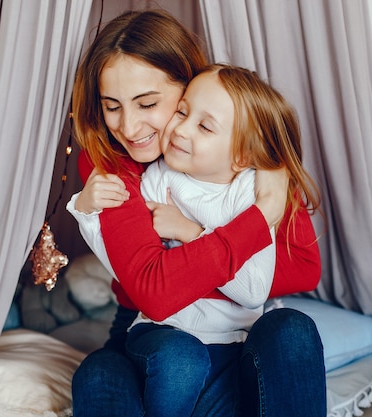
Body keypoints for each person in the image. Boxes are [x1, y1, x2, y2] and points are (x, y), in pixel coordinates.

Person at [66, 9, 326, 417]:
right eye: (112, 106)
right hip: (155, 333)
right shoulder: (110, 166)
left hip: (237, 333)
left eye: (148, 103)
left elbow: (303, 268)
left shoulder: (247, 157)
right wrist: (261, 218)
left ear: (190, 87)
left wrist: (190, 240)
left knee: (291, 329)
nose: (130, 128)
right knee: (100, 371)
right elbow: (155, 295)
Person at [120, 63, 322, 416]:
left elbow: (253, 291)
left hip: (236, 342)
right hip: (166, 334)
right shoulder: (157, 178)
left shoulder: (252, 192)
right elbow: (149, 276)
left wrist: (187, 230)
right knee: (177, 364)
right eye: (182, 111)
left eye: (204, 126)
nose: (180, 128)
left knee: (293, 327)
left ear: (242, 156)